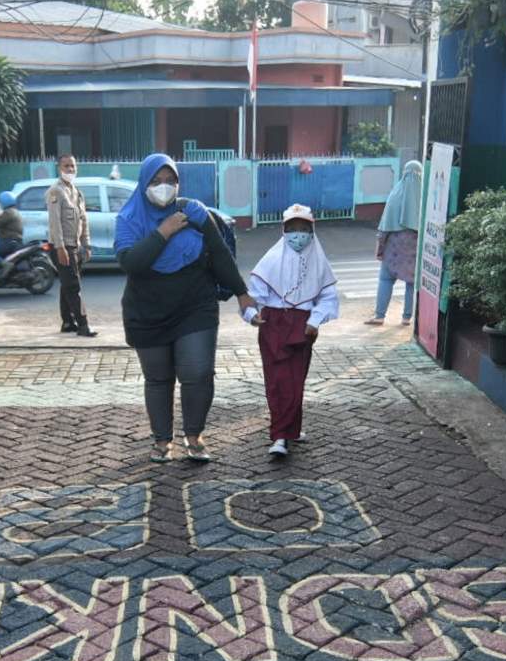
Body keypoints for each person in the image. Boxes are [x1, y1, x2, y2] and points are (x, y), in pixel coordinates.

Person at [115, 153, 255, 463]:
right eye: (156, 181)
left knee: (198, 372)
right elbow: (132, 263)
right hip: (147, 309)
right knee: (159, 378)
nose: (164, 187)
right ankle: (162, 440)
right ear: (144, 184)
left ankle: (194, 436)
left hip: (195, 304)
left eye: (171, 181)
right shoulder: (128, 219)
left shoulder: (194, 212)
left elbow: (220, 255)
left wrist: (242, 293)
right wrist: (163, 232)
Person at [243, 205, 340, 457]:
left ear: (312, 231)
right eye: (293, 229)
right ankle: (280, 436)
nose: (299, 235)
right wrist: (253, 316)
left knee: (296, 380)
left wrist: (315, 320)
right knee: (277, 381)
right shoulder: (271, 259)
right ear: (284, 231)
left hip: (303, 327)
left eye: (304, 229)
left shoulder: (319, 262)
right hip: (274, 324)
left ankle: (291, 430)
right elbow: (254, 296)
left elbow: (328, 297)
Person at [46, 154, 98, 337]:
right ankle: (83, 325)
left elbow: (84, 220)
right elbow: (55, 222)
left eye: (73, 166)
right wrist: (60, 248)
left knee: (67, 284)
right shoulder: (56, 191)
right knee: (73, 285)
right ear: (59, 168)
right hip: (63, 246)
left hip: (74, 246)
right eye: (66, 166)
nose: (70, 169)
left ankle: (68, 322)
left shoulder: (77, 193)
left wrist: (87, 245)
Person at [367, 160, 423, 326]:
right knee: (411, 284)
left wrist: (379, 248)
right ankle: (406, 318)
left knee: (385, 279)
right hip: (414, 248)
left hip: (393, 248)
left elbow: (384, 227)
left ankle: (379, 316)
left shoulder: (395, 195)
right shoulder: (424, 198)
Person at [0, 190, 24, 265]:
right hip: (16, 241)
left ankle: (5, 265)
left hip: (8, 241)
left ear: (3, 202)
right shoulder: (15, 212)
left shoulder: (8, 213)